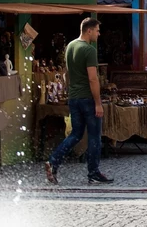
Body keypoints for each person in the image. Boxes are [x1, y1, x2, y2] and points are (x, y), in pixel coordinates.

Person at [45, 18, 112, 185]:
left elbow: (67, 74)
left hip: (74, 98)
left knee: (76, 134)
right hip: (87, 98)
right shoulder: (89, 50)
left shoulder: (70, 46)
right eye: (97, 30)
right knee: (95, 136)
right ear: (88, 30)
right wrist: (98, 102)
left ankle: (53, 161)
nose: (98, 33)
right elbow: (93, 79)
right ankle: (93, 172)